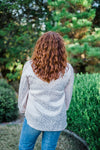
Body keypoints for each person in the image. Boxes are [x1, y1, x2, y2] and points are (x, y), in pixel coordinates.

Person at [18, 31, 74, 150]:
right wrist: (62, 109)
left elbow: (23, 92)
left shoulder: (29, 66)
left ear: (40, 47)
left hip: (34, 116)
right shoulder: (68, 70)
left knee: (25, 146)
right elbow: (67, 97)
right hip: (56, 118)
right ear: (61, 49)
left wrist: (23, 109)